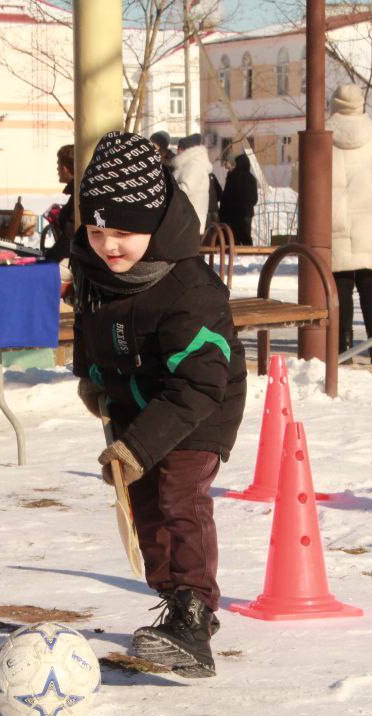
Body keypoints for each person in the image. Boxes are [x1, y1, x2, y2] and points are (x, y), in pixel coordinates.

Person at [69, 131, 247, 677]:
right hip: (137, 405)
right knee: (144, 505)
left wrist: (138, 443)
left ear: (153, 222)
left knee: (178, 494)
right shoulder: (95, 271)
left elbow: (199, 383)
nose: (109, 246)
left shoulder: (190, 290)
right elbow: (91, 336)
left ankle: (196, 611)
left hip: (200, 407)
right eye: (98, 231)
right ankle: (174, 603)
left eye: (123, 231)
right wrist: (94, 381)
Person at [327, 83, 372, 365]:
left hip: (336, 223)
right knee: (371, 286)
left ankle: (343, 347)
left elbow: (300, 179)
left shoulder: (323, 138)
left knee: (341, 286)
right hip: (371, 224)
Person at [171, 133, 213, 236]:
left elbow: (185, 189)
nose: (177, 151)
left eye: (180, 148)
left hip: (189, 221)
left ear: (188, 150)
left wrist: (167, 189)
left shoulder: (194, 166)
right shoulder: (188, 165)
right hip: (186, 219)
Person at [42, 143, 76, 263]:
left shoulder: (78, 194)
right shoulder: (76, 192)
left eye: (58, 164)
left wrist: (48, 259)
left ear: (65, 168)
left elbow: (70, 238)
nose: (57, 169)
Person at [218, 153, 258, 245]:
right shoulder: (252, 179)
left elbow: (227, 196)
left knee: (234, 238)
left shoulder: (233, 176)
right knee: (246, 237)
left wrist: (223, 211)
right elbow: (254, 199)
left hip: (234, 213)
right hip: (247, 213)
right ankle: (250, 255)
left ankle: (236, 257)